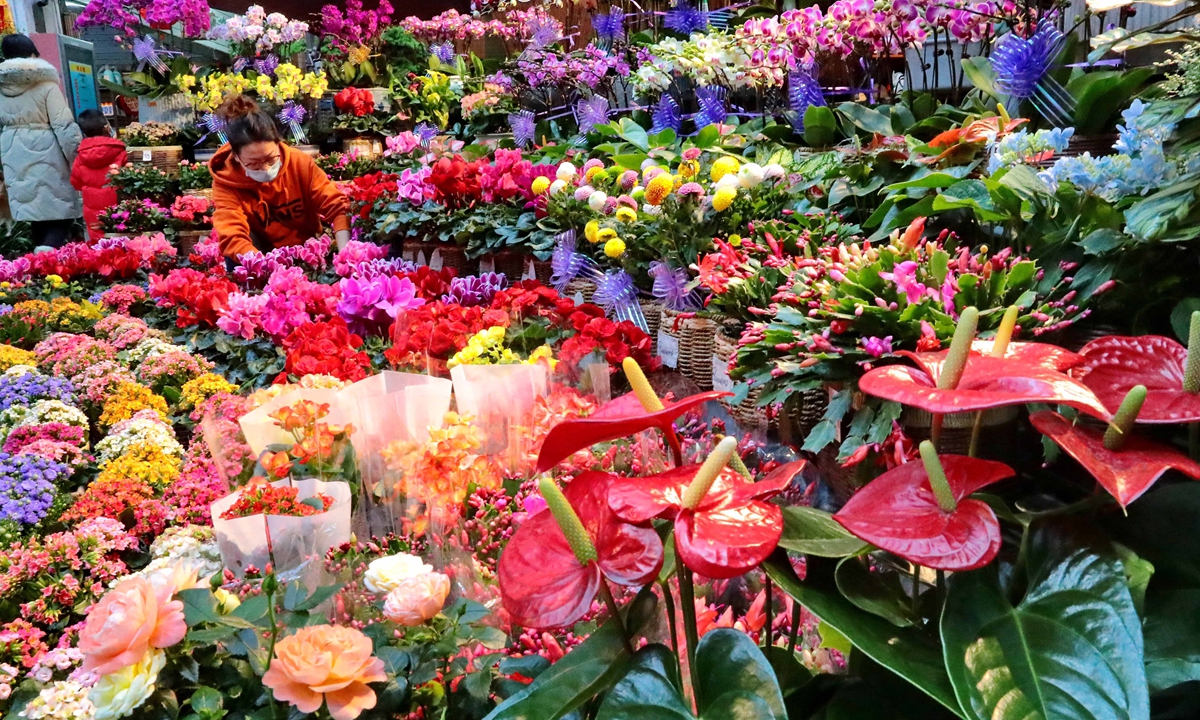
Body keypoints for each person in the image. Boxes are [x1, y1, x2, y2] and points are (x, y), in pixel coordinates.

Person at [210, 95, 350, 260]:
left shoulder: (299, 163)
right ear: (236, 157)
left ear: (278, 143)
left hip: (307, 253)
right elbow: (232, 235)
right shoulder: (225, 182)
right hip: (261, 257)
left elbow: (336, 206)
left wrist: (345, 255)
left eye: (271, 159)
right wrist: (267, 267)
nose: (266, 168)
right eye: (254, 164)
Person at [0, 34, 82, 250]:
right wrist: (77, 157)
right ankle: (46, 260)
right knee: (60, 215)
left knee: (36, 215)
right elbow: (63, 126)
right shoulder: (46, 85)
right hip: (49, 154)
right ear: (31, 54)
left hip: (13, 154)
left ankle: (40, 271)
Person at [70, 108, 126, 242]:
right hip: (118, 210)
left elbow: (75, 183)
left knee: (99, 248)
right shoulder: (120, 152)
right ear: (106, 127)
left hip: (93, 214)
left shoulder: (81, 156)